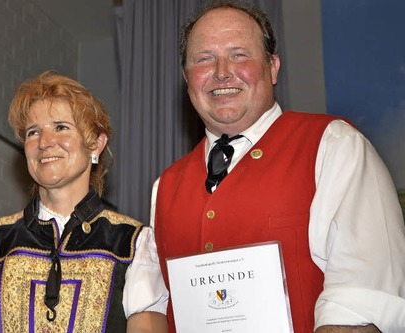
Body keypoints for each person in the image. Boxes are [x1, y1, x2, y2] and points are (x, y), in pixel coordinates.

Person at [151, 1, 405, 332]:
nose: (222, 71)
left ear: (272, 67)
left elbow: (362, 303)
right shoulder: (164, 187)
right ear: (187, 79)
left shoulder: (333, 146)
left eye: (239, 54)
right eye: (204, 59)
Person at [0, 71, 169, 332]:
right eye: (33, 132)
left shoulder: (135, 244)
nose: (45, 142)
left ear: (96, 144)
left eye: (61, 127)